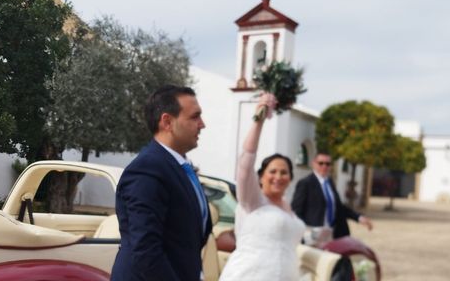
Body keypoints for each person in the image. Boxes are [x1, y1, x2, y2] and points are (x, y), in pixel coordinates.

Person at [110, 85, 212, 281]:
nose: (202, 124)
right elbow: (146, 248)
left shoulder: (178, 167)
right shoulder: (147, 169)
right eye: (194, 116)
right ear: (167, 121)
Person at [219, 93, 306, 281]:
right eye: (273, 172)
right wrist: (259, 120)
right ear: (260, 177)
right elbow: (246, 161)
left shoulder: (288, 207)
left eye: (284, 173)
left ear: (290, 178)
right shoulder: (253, 200)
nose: (278, 177)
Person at [291, 152, 373, 240]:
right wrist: (303, 233)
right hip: (313, 234)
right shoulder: (305, 183)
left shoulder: (329, 182)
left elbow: (338, 207)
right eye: (321, 163)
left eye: (327, 164)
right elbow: (296, 211)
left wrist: (359, 217)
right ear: (314, 164)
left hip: (333, 233)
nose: (324, 166)